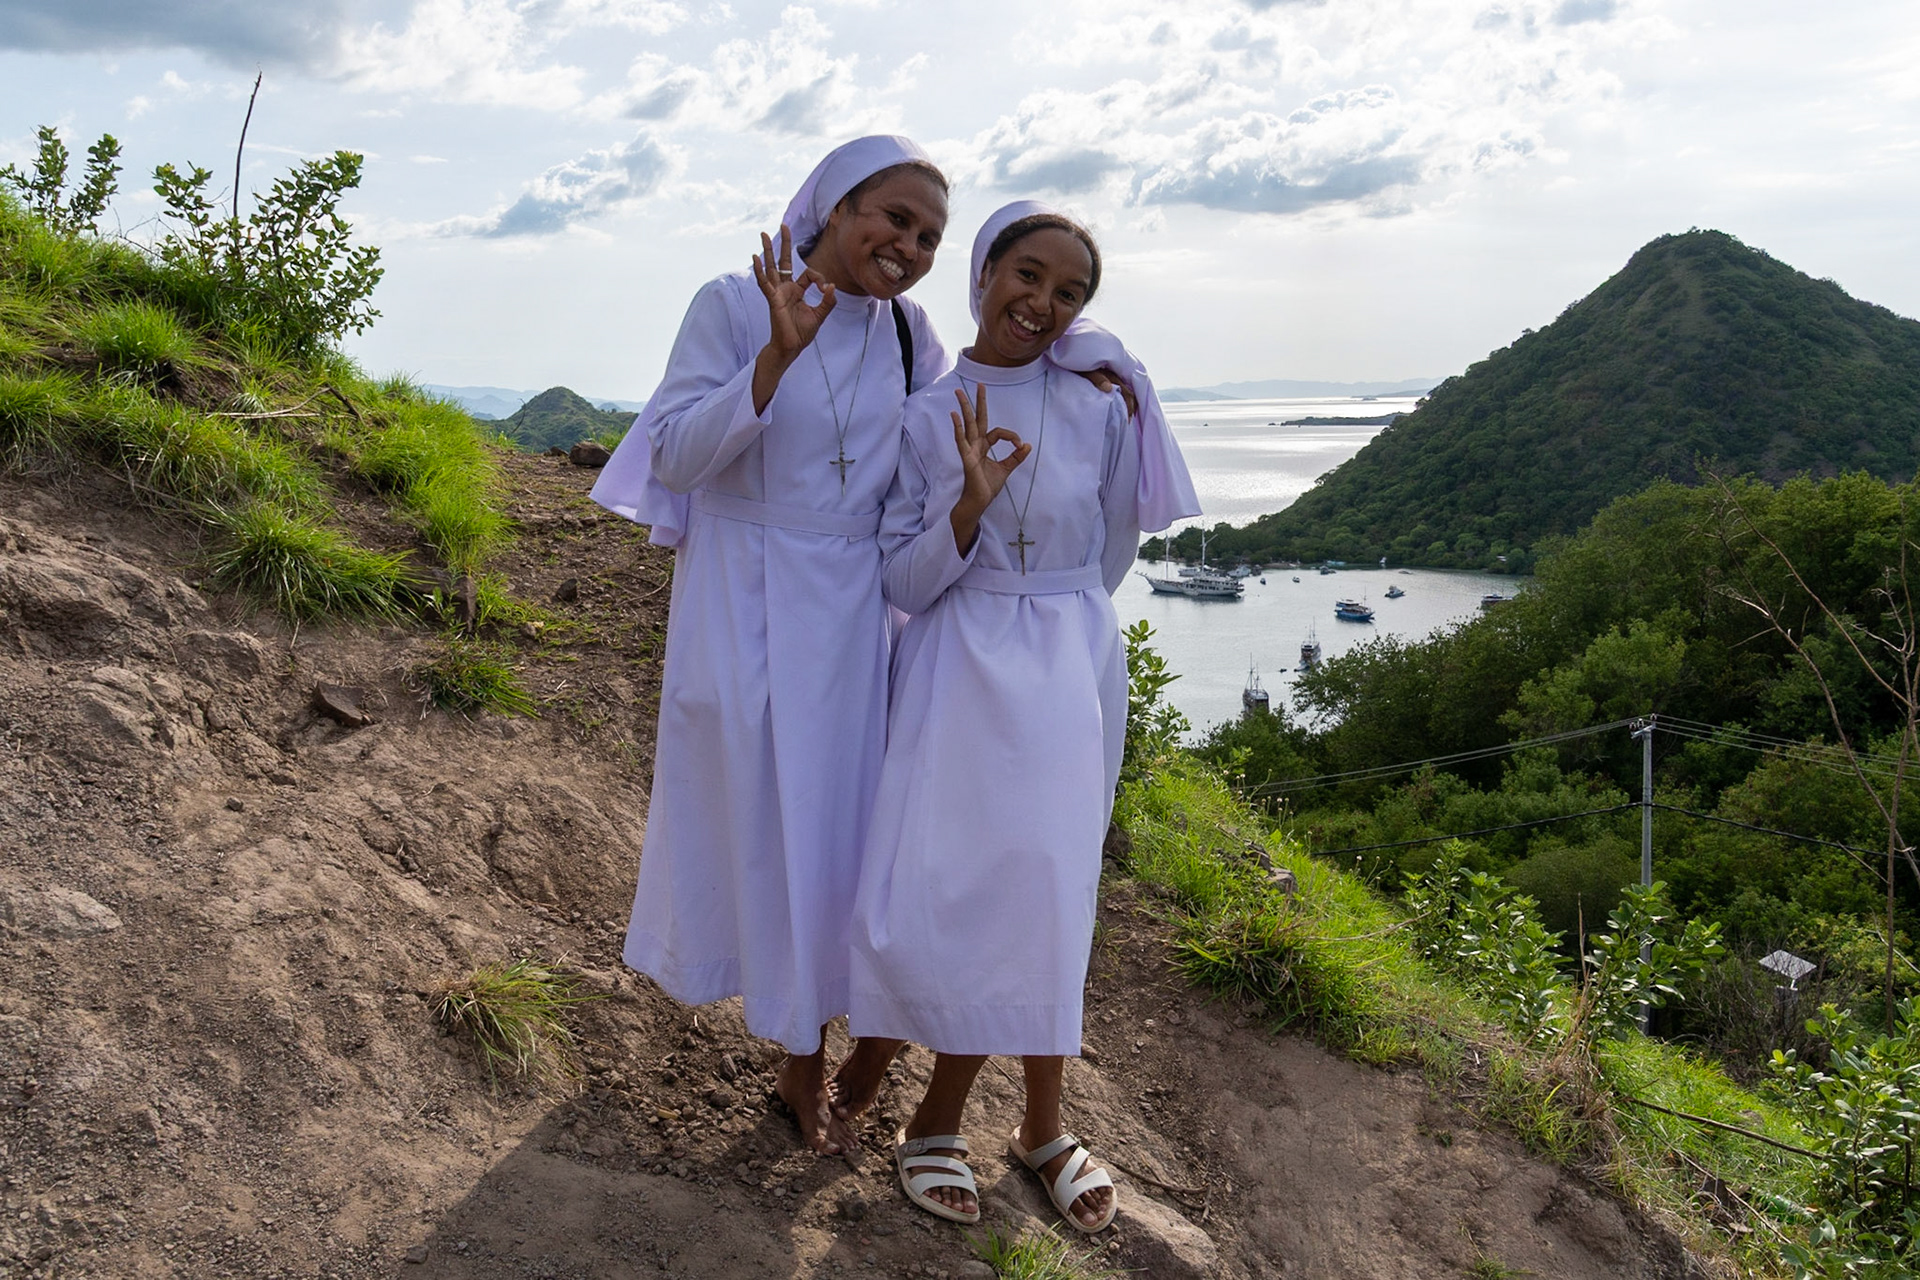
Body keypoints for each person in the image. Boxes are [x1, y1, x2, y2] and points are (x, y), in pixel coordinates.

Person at [590, 136, 951, 1157]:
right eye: (892, 216)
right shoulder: (735, 301)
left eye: (927, 234)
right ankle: (765, 1017)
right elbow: (677, 455)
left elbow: (916, 479)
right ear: (835, 207)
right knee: (751, 817)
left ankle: (805, 1049)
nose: (908, 244)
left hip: (848, 611)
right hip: (741, 595)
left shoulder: (914, 338)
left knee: (835, 834)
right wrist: (775, 356)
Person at [848, 201, 1199, 1230]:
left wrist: (1059, 617)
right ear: (984, 270)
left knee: (1050, 882)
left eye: (1070, 291)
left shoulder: (1099, 408)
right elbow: (899, 576)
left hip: (1069, 660)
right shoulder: (925, 412)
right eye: (1027, 275)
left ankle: (1011, 1121)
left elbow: (1110, 552)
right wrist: (967, 505)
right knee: (953, 881)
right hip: (960, 660)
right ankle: (931, 1107)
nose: (1042, 303)